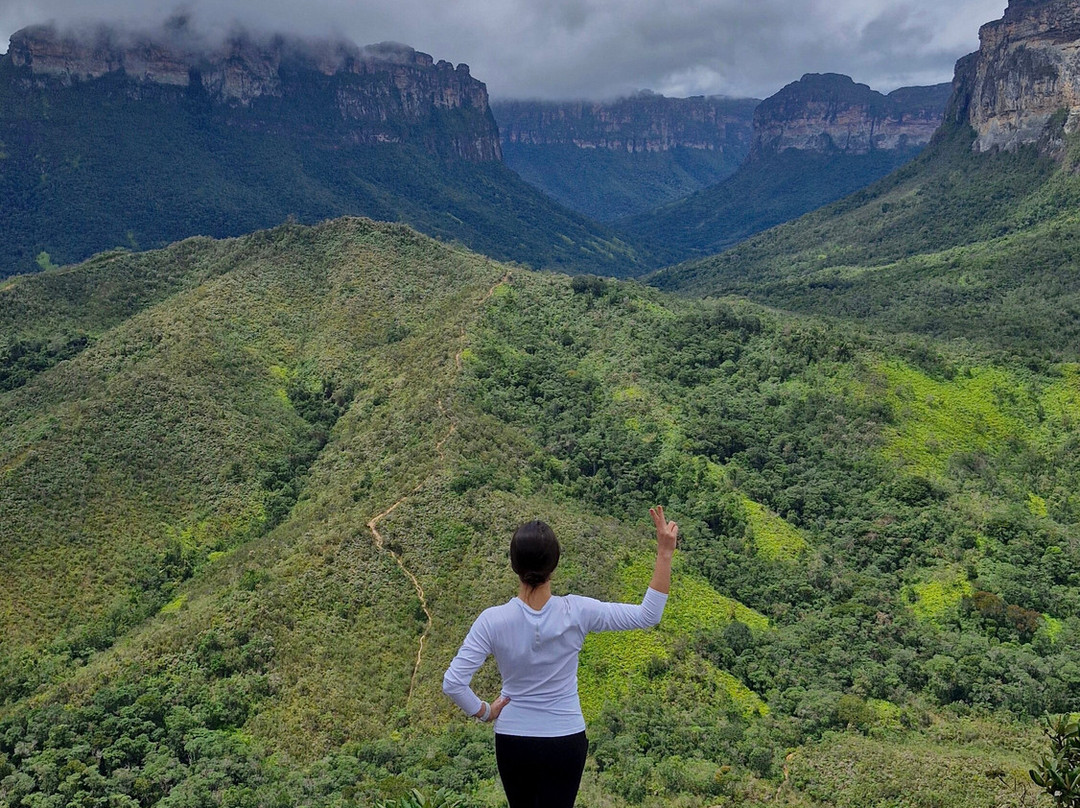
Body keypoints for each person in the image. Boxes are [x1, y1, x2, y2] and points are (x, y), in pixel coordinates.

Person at [442, 506, 679, 808]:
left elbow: (453, 683)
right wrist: (664, 553)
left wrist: (485, 711)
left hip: (514, 738)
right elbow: (648, 614)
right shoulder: (578, 611)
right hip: (565, 738)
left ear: (514, 565)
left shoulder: (492, 620)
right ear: (554, 566)